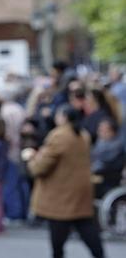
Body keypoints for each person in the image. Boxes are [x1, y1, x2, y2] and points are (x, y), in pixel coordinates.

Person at [25, 104, 104, 258]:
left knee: (58, 234)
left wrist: (31, 159)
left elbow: (42, 166)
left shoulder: (60, 136)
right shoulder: (82, 134)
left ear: (64, 118)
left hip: (60, 192)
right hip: (80, 188)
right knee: (85, 226)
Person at [91, 117, 125, 198]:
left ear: (112, 132)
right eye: (99, 130)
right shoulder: (100, 143)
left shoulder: (116, 147)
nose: (99, 133)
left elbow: (103, 166)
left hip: (108, 182)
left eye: (103, 130)